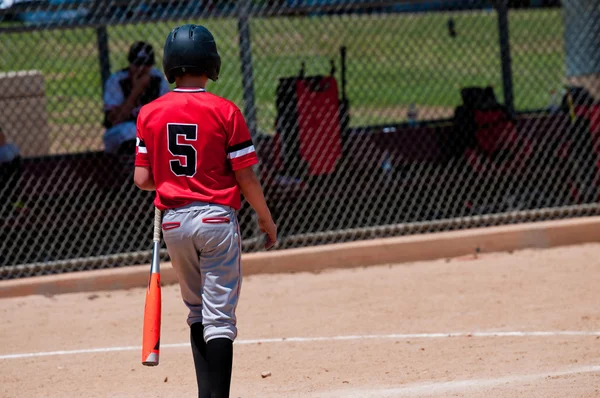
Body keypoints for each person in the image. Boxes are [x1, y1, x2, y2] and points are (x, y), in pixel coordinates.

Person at [133, 24, 277, 397]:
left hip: (174, 222)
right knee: (220, 320)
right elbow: (246, 178)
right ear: (210, 63)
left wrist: (171, 179)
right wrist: (264, 216)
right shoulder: (226, 111)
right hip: (215, 219)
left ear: (170, 66)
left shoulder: (149, 113)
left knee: (197, 313)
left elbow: (142, 178)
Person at [103, 41, 170, 154]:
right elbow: (114, 121)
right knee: (131, 130)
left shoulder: (158, 80)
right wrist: (135, 92)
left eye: (146, 64)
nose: (141, 69)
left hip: (148, 133)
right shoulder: (117, 81)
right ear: (130, 63)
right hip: (118, 135)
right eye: (138, 64)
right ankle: (130, 170)